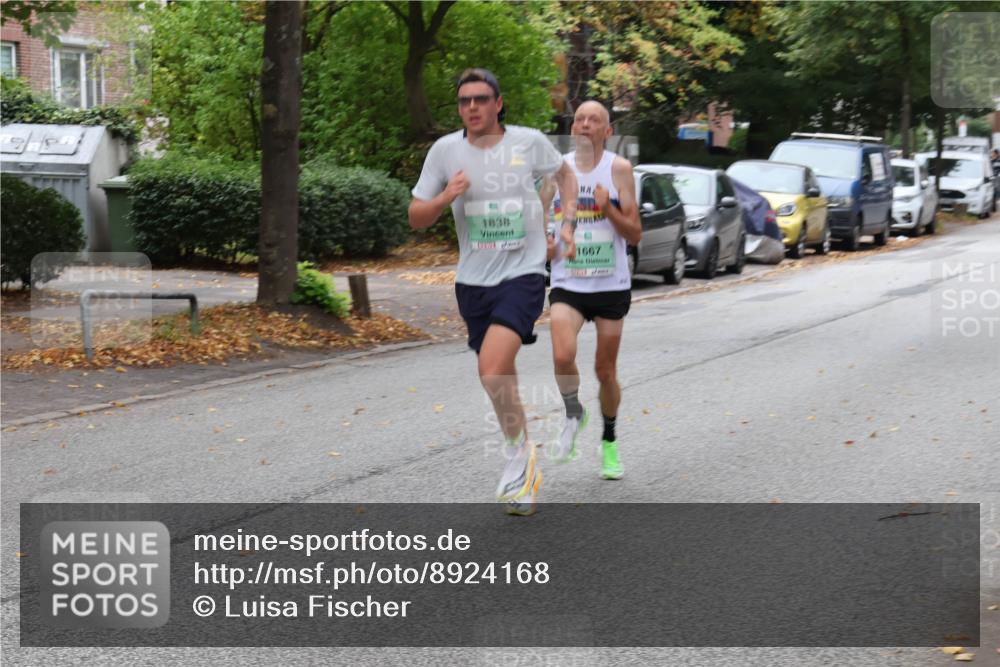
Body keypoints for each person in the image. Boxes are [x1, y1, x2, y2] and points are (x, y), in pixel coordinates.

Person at [409, 68, 578, 515]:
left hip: (523, 272)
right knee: (496, 376)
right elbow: (416, 216)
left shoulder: (527, 141)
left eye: (481, 99)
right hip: (472, 279)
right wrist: (447, 196)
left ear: (498, 103)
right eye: (464, 101)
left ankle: (518, 460)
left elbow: (566, 177)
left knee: (492, 365)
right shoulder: (445, 151)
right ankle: (519, 448)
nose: (472, 108)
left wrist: (566, 225)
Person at [545, 100, 640, 480]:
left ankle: (610, 440)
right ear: (573, 128)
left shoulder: (619, 170)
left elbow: (634, 233)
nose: (585, 124)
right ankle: (574, 413)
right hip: (568, 282)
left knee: (605, 370)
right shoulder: (556, 170)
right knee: (563, 355)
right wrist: (547, 243)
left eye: (594, 120)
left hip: (610, 286)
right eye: (579, 119)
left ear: (607, 131)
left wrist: (609, 208)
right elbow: (536, 219)